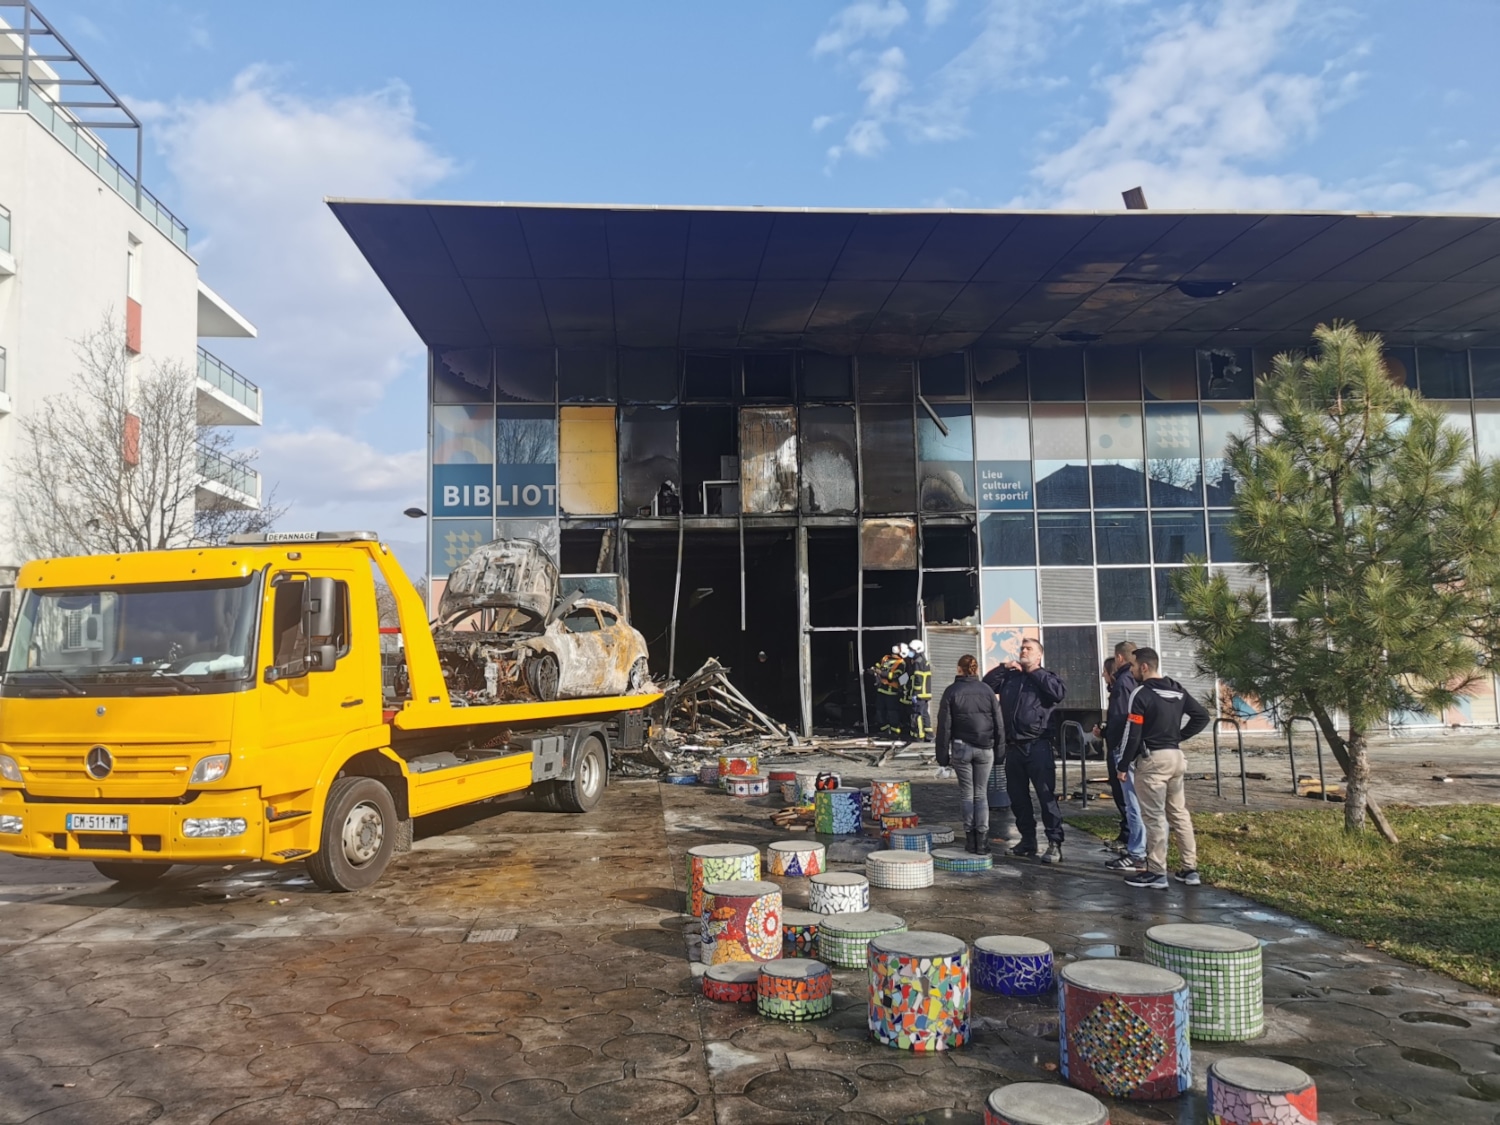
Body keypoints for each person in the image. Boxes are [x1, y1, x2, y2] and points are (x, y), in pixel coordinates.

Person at [1118, 647, 1211, 890]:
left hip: (1152, 761)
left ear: (1144, 667)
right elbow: (1201, 716)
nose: (1132, 670)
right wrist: (1178, 737)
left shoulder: (1140, 693)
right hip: (1176, 758)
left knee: (1154, 816)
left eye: (1134, 666)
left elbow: (1132, 732)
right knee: (1179, 814)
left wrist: (1122, 763)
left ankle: (1157, 872)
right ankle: (1190, 869)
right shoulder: (1177, 689)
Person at [983, 637, 1068, 863]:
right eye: (1022, 648)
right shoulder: (1012, 677)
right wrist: (1003, 668)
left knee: (1046, 796)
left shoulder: (1045, 677)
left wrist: (1034, 671)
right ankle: (1028, 841)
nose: (1024, 651)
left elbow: (1058, 693)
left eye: (1029, 649)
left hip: (1038, 745)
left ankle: (1054, 843)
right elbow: (986, 686)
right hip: (1014, 747)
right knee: (1018, 798)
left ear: (1039, 655)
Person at [935, 653, 1005, 854]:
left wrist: (943, 757)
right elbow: (999, 723)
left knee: (967, 793)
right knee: (981, 794)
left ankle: (970, 839)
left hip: (961, 748)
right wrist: (1000, 751)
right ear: (976, 669)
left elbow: (944, 727)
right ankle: (982, 841)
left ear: (959, 669)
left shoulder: (951, 692)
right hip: (985, 748)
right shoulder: (987, 690)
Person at [1101, 643, 1149, 874]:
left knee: (1131, 802)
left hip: (1125, 749)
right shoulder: (1140, 683)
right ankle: (1143, 849)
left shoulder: (1123, 683)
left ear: (1119, 658)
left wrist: (1117, 748)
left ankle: (1137, 852)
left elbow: (1122, 719)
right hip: (1143, 748)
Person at [906, 639, 933, 741]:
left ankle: (920, 736)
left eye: (911, 650)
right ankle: (929, 735)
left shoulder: (917, 663)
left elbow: (918, 679)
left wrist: (914, 693)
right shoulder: (924, 661)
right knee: (925, 715)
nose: (910, 652)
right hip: (925, 694)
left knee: (918, 716)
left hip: (919, 694)